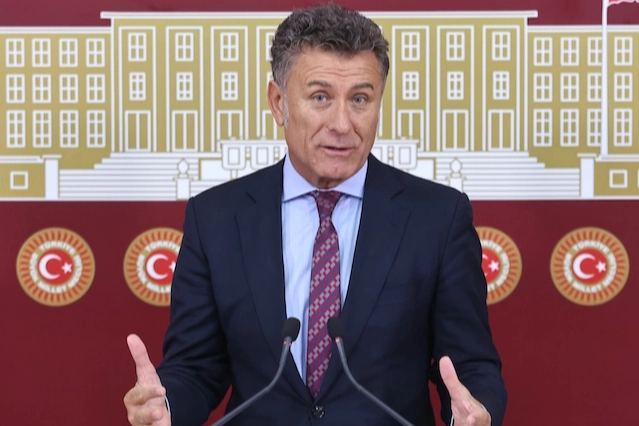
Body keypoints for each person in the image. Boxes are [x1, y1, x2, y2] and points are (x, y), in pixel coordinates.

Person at [123, 4, 507, 426]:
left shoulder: (438, 218)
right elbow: (195, 368)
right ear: (278, 102)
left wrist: (476, 412)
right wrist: (166, 408)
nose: (342, 123)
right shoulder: (216, 218)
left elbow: (471, 366)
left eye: (360, 99)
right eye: (320, 97)